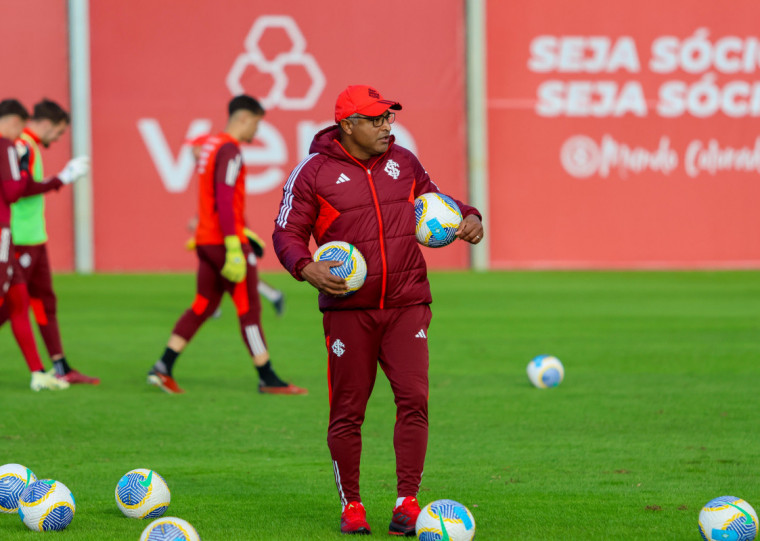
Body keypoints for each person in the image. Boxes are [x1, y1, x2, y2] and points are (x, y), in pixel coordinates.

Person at [272, 85, 484, 535]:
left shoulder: (403, 162)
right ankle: (352, 505)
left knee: (414, 400)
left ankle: (408, 502)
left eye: (389, 118)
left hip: (408, 303)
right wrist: (305, 267)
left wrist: (469, 215)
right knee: (348, 410)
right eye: (376, 119)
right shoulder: (311, 173)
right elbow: (286, 231)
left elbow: (437, 200)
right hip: (349, 311)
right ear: (348, 125)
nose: (388, 126)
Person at [147, 95, 306, 396]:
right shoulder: (230, 149)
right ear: (244, 118)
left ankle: (162, 366)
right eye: (257, 124)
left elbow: (212, 197)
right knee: (249, 310)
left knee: (203, 305)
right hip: (224, 242)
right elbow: (224, 197)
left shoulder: (211, 146)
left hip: (206, 240)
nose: (256, 133)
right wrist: (235, 244)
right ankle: (267, 377)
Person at [0, 99, 99, 384]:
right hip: (18, 238)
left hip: (33, 237)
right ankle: (48, 370)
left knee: (43, 301)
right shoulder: (21, 146)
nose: (55, 140)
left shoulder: (21, 145)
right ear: (45, 124)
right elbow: (19, 188)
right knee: (10, 305)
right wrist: (62, 179)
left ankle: (60, 366)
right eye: (57, 133)